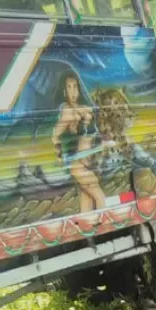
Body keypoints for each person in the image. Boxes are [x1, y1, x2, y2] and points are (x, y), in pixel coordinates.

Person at [51, 71, 114, 213]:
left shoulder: (84, 108)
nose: (73, 91)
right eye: (69, 87)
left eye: (75, 86)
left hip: (89, 163)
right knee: (100, 198)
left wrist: (105, 139)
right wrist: (59, 155)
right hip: (79, 166)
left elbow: (96, 132)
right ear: (64, 91)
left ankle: (90, 232)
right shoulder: (67, 112)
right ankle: (103, 227)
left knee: (86, 202)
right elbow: (54, 136)